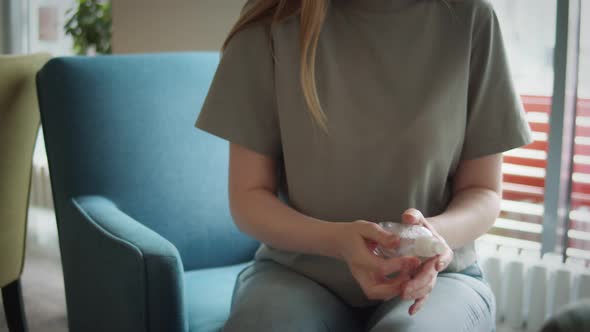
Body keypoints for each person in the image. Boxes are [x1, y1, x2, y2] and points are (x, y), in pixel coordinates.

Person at [195, 0, 533, 330]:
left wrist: (429, 238)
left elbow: (483, 191)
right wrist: (337, 240)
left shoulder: (472, 19)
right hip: (297, 274)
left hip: (439, 278)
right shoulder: (272, 21)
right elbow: (249, 197)